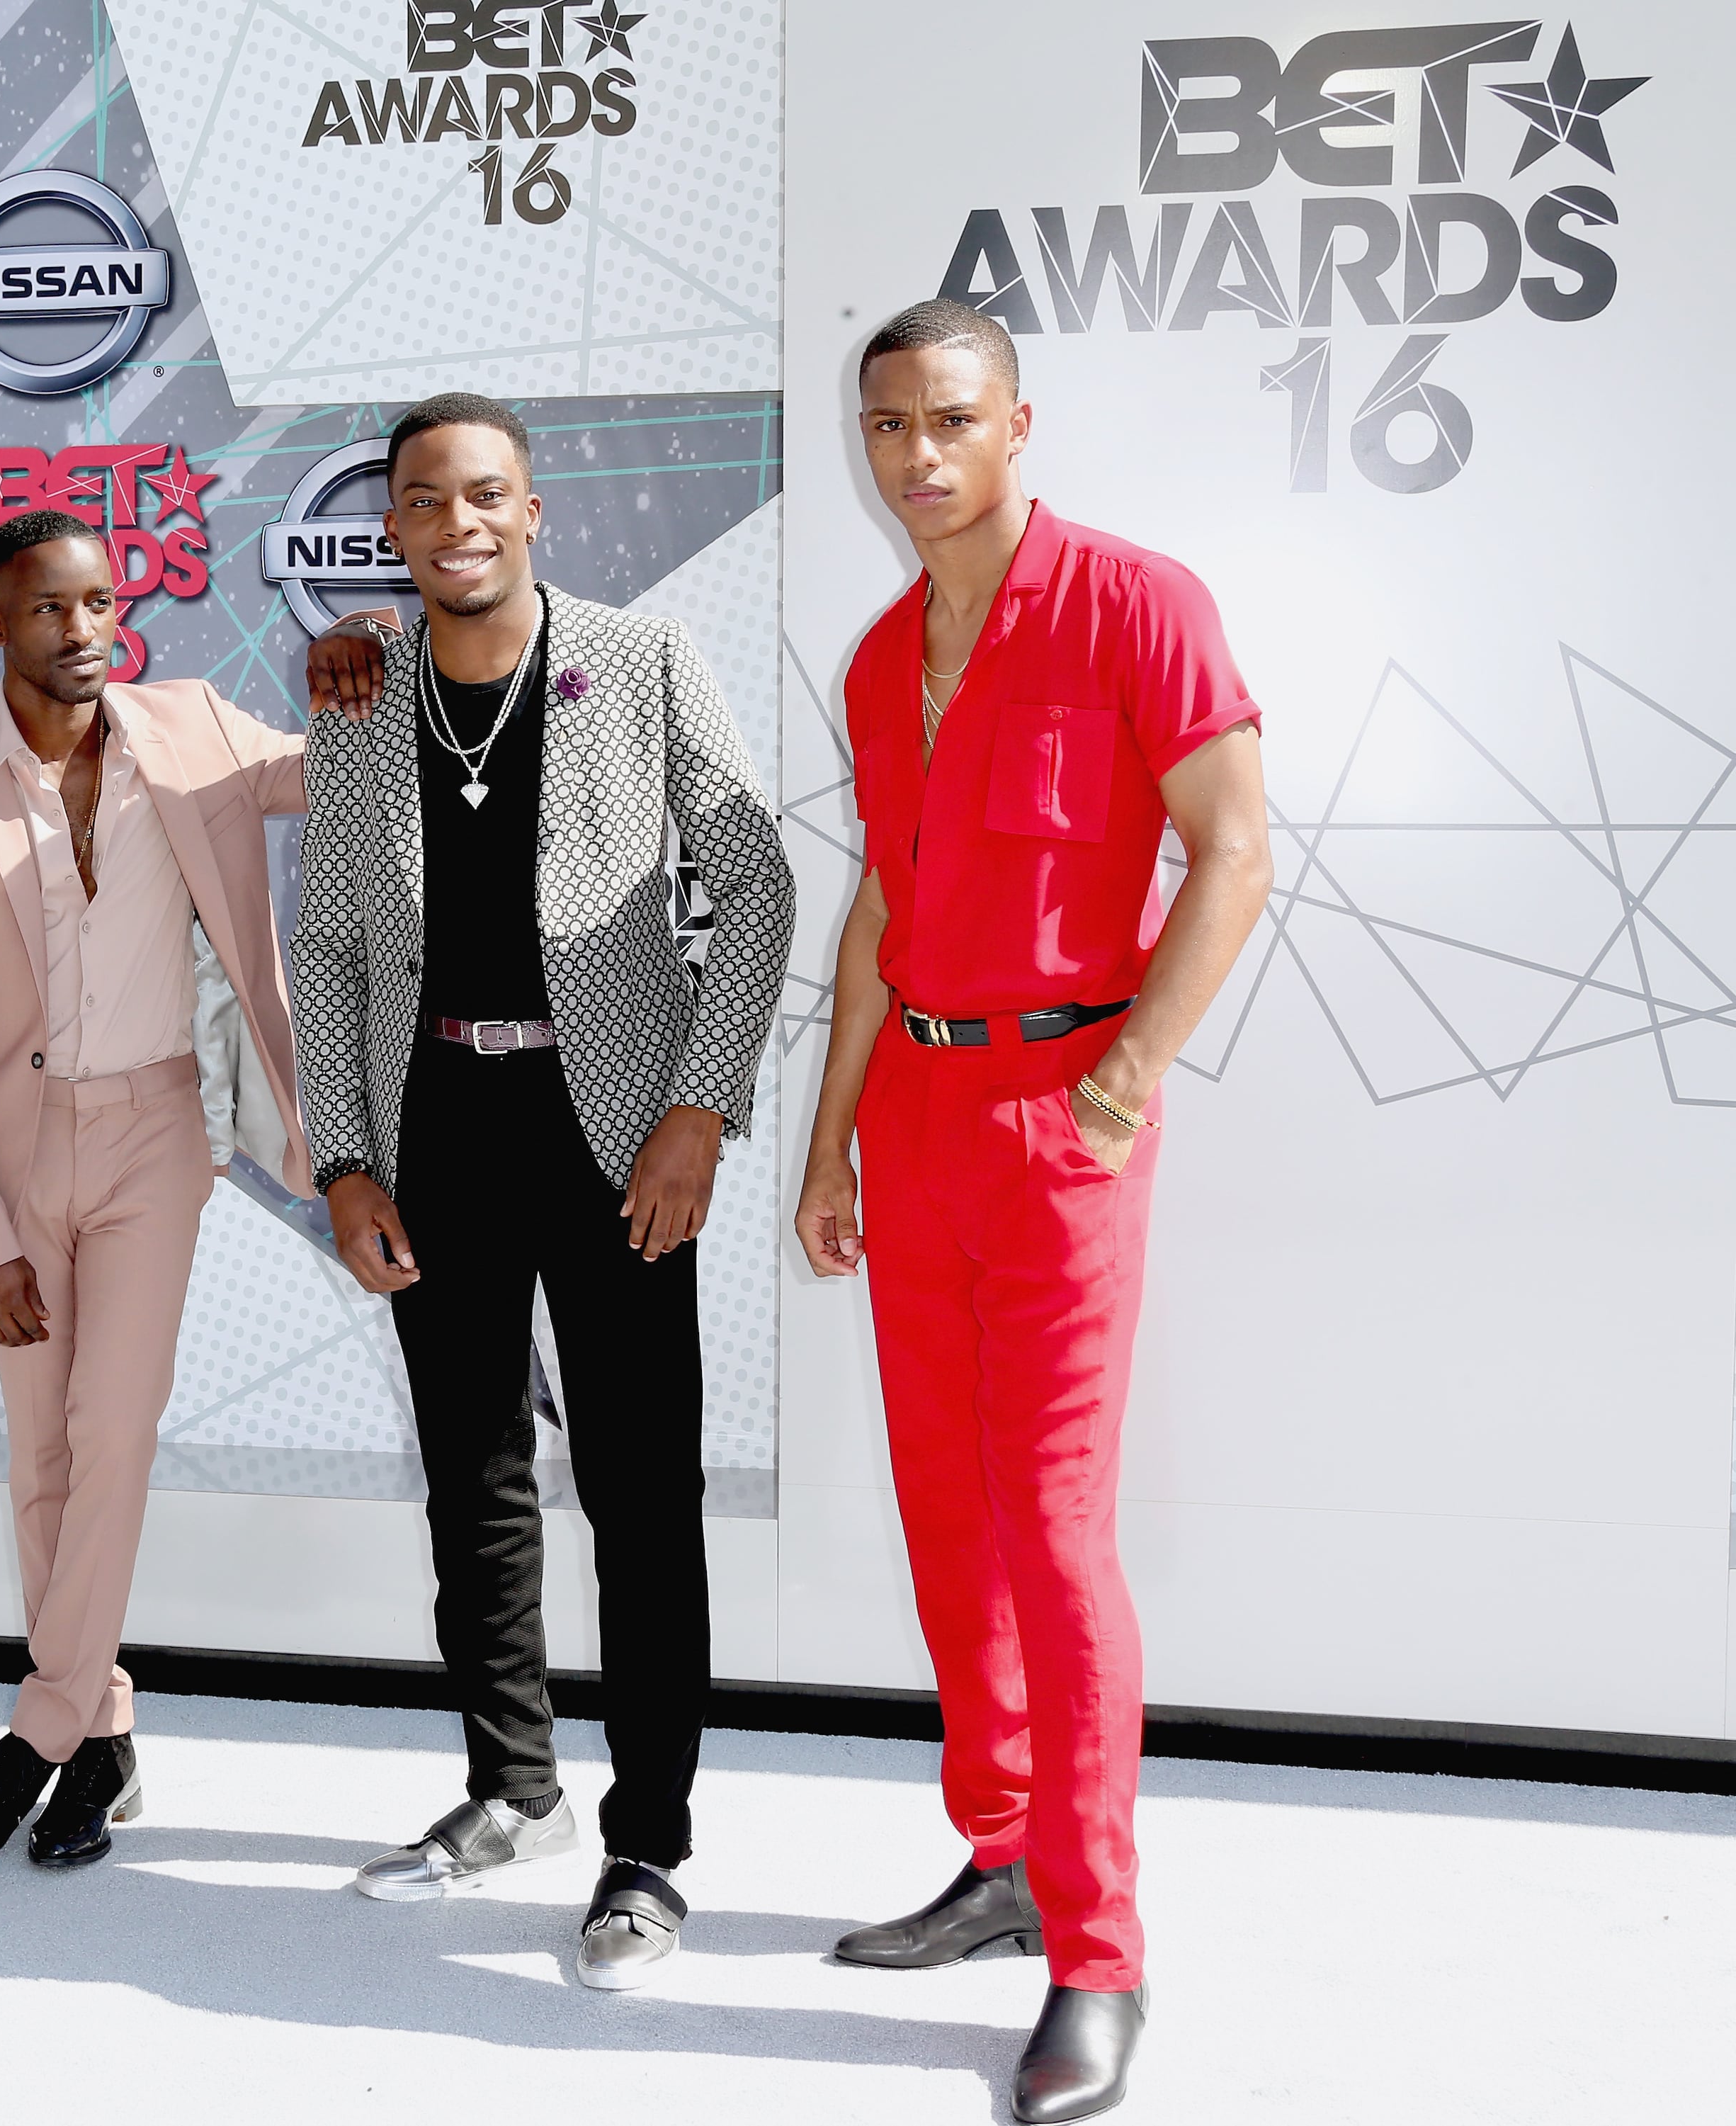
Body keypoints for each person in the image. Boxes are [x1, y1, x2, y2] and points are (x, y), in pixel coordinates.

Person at [793, 300, 1273, 2121]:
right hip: (915, 1112)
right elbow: (875, 918)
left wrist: (1126, 1080)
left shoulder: (1138, 604)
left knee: (1054, 1534)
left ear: (1018, 423)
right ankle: (998, 1857)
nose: (915, 456)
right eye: (887, 425)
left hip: (1064, 1115)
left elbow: (1234, 847)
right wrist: (832, 1138)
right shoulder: (878, 654)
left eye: (950, 419)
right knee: (945, 1517)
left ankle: (1099, 1949)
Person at [295, 393, 793, 1990]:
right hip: (439, 1119)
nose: (461, 522)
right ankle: (512, 1785)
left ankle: (650, 1839)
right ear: (393, 526)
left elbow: (758, 879)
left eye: (488, 493)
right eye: (427, 499)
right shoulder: (361, 698)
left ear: (535, 510)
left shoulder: (642, 666)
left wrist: (701, 1107)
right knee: (474, 1477)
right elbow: (331, 940)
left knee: (643, 1492)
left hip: (620, 1132)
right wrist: (345, 1152)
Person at [0, 509, 313, 1870]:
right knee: (43, 1457)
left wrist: (367, 654)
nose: (83, 631)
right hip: (12, 1159)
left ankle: (32, 1738)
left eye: (101, 603)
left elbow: (349, 772)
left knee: (112, 1430)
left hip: (155, 1137)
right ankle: (104, 1736)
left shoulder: (193, 732)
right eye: (49, 608)